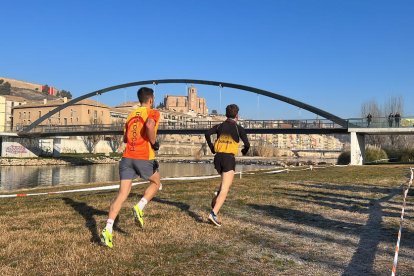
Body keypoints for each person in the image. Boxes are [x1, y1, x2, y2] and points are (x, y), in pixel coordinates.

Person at [101, 87, 161, 248]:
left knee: (122, 194)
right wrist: (154, 143)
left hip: (127, 157)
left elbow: (125, 138)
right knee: (156, 183)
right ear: (151, 100)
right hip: (143, 157)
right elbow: (149, 125)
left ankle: (108, 229)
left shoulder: (130, 115)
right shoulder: (153, 112)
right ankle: (140, 206)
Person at [205, 104, 250, 227]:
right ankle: (213, 214)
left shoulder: (219, 126)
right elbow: (247, 145)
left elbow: (207, 133)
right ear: (237, 115)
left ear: (226, 115)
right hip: (228, 158)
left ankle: (215, 200)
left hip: (218, 158)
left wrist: (212, 148)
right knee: (225, 188)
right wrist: (244, 152)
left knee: (225, 183)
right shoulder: (238, 128)